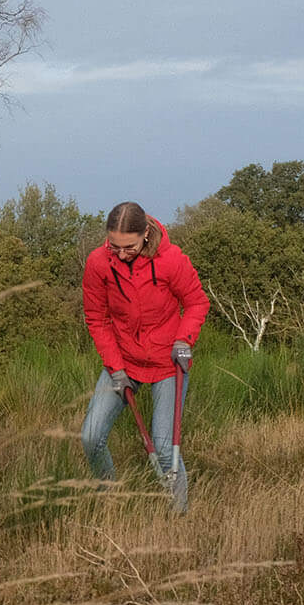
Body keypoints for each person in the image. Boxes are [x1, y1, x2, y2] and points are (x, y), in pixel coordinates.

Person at [80, 201, 209, 482]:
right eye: (115, 247)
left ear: (146, 235)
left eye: (130, 247)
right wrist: (116, 369)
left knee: (164, 450)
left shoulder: (172, 260)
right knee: (91, 437)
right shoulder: (98, 263)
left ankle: (179, 517)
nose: (122, 254)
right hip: (123, 359)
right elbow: (96, 318)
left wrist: (183, 342)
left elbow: (197, 302)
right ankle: (109, 499)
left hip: (167, 361)